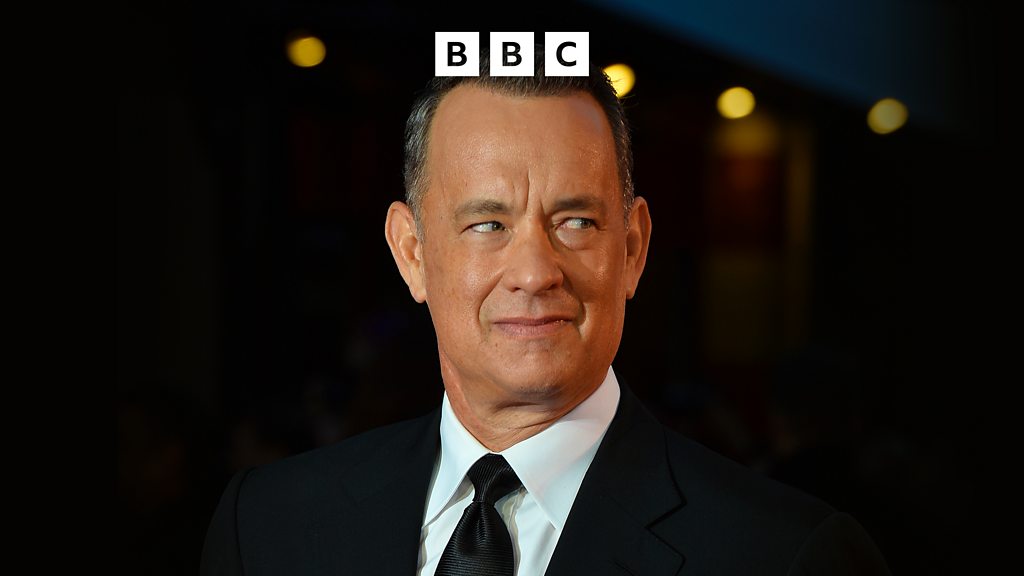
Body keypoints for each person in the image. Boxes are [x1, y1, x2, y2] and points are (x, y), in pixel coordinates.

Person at [200, 45, 891, 575]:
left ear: (633, 248)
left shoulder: (784, 556)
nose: (534, 272)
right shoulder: (265, 527)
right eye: (487, 224)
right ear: (411, 252)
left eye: (576, 222)